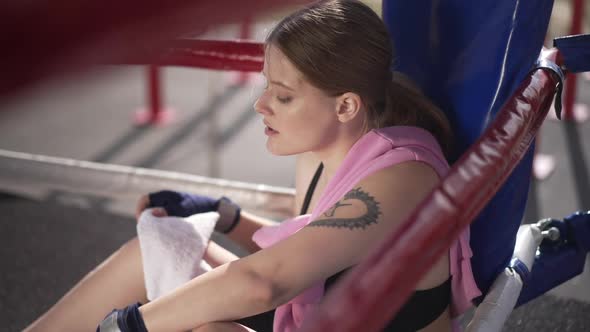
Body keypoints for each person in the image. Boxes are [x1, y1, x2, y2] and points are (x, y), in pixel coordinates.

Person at [24, 1, 481, 331]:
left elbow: (266, 282)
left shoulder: (403, 178)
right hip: (314, 318)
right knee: (156, 249)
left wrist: (127, 326)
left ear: (345, 106)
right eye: (267, 87)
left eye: (283, 96)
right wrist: (227, 215)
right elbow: (310, 250)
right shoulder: (326, 150)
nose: (261, 104)